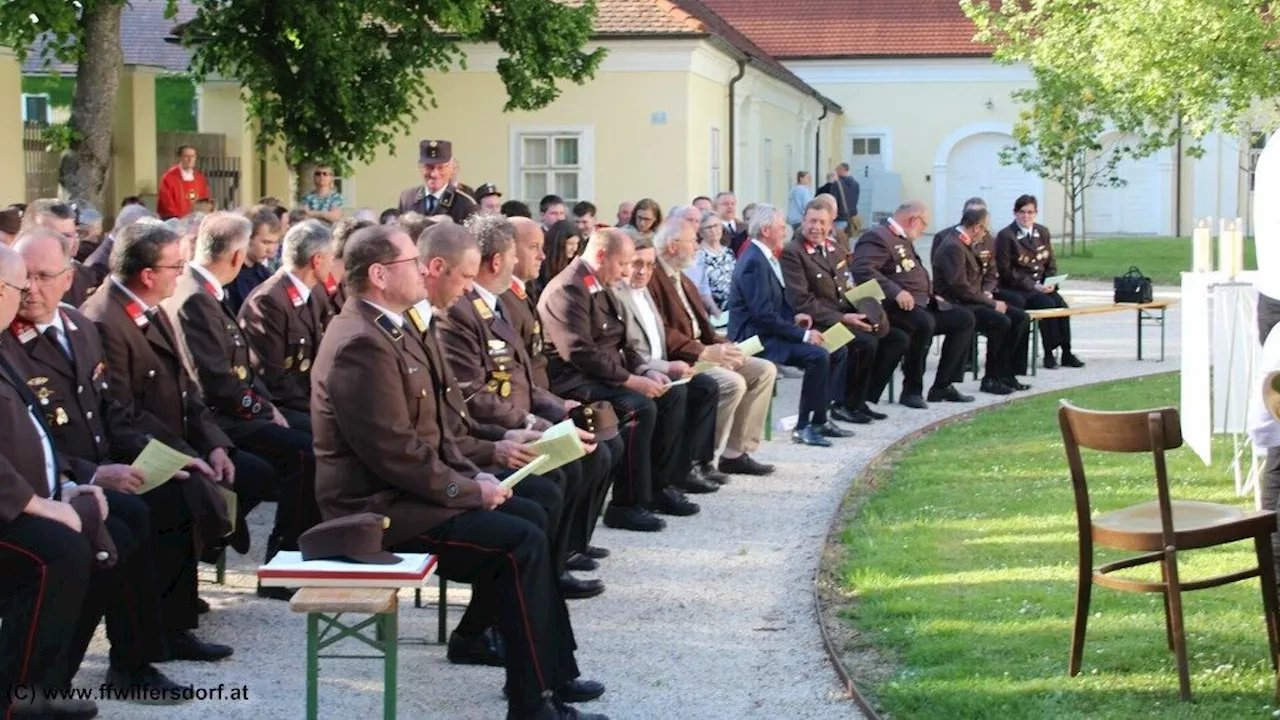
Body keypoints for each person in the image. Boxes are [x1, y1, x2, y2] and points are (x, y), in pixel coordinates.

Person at [310, 224, 607, 720]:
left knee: (531, 516)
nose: (424, 273)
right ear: (380, 275)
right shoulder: (360, 341)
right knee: (520, 543)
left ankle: (551, 677)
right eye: (411, 263)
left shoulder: (394, 327)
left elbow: (442, 434)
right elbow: (397, 453)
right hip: (377, 514)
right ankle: (532, 704)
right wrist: (468, 489)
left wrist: (490, 458)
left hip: (407, 497)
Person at [4, 228, 199, 700]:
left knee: (171, 494)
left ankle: (148, 648)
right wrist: (86, 477)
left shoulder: (78, 327)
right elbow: (26, 440)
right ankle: (52, 679)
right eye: (22, 278)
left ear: (68, 277)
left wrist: (157, 454)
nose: (31, 288)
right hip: (55, 479)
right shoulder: (8, 340)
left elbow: (111, 411)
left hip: (82, 470)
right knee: (109, 526)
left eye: (42, 276)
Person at [79, 221, 250, 663]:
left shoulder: (151, 306)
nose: (182, 272)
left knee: (222, 476)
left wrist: (210, 443)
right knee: (179, 499)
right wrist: (182, 459)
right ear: (148, 274)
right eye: (175, 265)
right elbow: (119, 413)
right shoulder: (104, 319)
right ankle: (165, 630)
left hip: (169, 441)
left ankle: (175, 622)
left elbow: (185, 389)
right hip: (130, 453)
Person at [412, 221, 602, 599]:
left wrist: (553, 410)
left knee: (587, 451)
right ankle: (537, 580)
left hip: (490, 433)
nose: (532, 259)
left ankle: (553, 565)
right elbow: (470, 395)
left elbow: (521, 375)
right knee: (543, 492)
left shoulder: (496, 303)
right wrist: (515, 431)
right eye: (522, 252)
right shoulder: (455, 312)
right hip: (479, 434)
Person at [160, 213, 318, 599]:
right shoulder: (195, 295)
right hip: (216, 419)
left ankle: (222, 536)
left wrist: (265, 404)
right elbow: (215, 380)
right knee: (305, 454)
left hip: (233, 412)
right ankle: (276, 564)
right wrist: (264, 410)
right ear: (235, 257)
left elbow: (242, 366)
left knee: (309, 443)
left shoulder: (204, 289)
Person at [539, 228, 700, 530]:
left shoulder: (596, 284)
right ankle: (625, 504)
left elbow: (619, 342)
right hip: (575, 382)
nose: (627, 271)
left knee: (671, 395)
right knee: (638, 408)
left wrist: (645, 370)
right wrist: (630, 380)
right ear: (601, 256)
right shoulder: (569, 288)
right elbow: (579, 351)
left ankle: (657, 488)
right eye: (623, 263)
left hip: (602, 376)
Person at [502, 218, 613, 561]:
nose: (541, 255)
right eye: (532, 247)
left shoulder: (519, 292)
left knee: (605, 440)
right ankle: (558, 557)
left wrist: (553, 405)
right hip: (523, 411)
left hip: (541, 399)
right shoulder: (503, 300)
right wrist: (542, 416)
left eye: (541, 246)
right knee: (581, 458)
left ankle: (572, 544)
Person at [646, 213, 777, 476]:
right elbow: (661, 330)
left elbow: (701, 325)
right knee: (732, 382)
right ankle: (701, 459)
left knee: (763, 370)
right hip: (681, 358)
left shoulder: (682, 276)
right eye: (692, 240)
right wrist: (705, 351)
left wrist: (725, 346)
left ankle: (736, 452)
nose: (697, 246)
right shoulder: (654, 276)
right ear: (672, 245)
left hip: (702, 350)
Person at [727, 204, 852, 447]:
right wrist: (803, 335)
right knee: (817, 355)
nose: (785, 231)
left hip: (768, 330)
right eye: (780, 226)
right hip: (754, 339)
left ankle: (820, 419)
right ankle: (803, 426)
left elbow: (771, 307)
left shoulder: (763, 255)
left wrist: (795, 319)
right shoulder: (754, 260)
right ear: (765, 230)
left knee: (838, 348)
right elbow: (762, 315)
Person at [611, 231, 722, 495]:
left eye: (649, 265)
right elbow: (627, 350)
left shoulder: (643, 291)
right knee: (675, 394)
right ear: (625, 263)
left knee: (706, 387)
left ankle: (688, 466)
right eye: (637, 264)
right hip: (638, 371)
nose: (643, 272)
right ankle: (662, 484)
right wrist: (663, 368)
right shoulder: (617, 294)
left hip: (661, 365)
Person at [781, 199, 906, 424]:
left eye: (822, 222)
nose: (816, 227)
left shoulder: (834, 248)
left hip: (844, 314)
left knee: (894, 338)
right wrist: (844, 318)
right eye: (812, 221)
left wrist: (869, 308)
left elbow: (847, 286)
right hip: (818, 321)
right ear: (803, 221)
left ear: (830, 225)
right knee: (864, 343)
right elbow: (802, 301)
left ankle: (860, 399)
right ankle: (842, 404)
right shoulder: (793, 252)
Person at [851, 201, 976, 409]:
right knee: (923, 323)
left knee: (964, 319)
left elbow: (911, 273)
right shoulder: (878, 236)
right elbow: (862, 269)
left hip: (919, 304)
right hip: (891, 307)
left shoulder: (901, 237)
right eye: (924, 224)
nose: (924, 229)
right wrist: (896, 291)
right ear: (914, 220)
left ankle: (942, 385)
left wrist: (931, 293)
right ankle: (911, 390)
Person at [239, 220, 335, 415]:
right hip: (281, 408)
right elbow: (273, 380)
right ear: (317, 260)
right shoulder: (268, 301)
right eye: (331, 257)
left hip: (306, 399)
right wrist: (323, 409)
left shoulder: (314, 294)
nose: (333, 263)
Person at [933, 205, 1031, 395]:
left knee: (1020, 318)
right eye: (985, 228)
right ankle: (991, 379)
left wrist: (987, 293)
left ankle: (1006, 374)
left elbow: (990, 273)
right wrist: (992, 303)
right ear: (976, 227)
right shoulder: (953, 245)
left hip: (974, 299)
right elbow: (960, 288)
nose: (986, 233)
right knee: (1000, 321)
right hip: (957, 304)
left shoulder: (967, 241)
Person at [994, 194, 1084, 369]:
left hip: (1043, 285)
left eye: (1030, 212)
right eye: (1022, 212)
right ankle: (1049, 354)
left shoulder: (1042, 232)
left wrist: (1051, 282)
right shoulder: (1006, 235)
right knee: (1047, 304)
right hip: (1020, 288)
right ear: (1015, 213)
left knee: (1062, 306)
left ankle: (1066, 352)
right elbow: (1005, 270)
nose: (1026, 216)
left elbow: (1050, 262)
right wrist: (1032, 285)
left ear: (1036, 213)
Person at [20, 198, 101, 305]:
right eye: (51, 235)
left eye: (67, 236)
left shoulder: (87, 277)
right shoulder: (8, 277)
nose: (59, 242)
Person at [397, 139, 477, 224]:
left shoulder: (465, 202)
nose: (434, 174)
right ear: (420, 167)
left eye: (441, 167)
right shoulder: (407, 198)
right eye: (428, 167)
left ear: (452, 168)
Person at [224, 204, 282, 315]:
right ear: (248, 238)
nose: (271, 250)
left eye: (275, 242)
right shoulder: (228, 274)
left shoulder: (265, 274)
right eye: (266, 242)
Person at [157, 145, 211, 220]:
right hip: (176, 222)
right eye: (186, 156)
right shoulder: (169, 177)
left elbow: (205, 201)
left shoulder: (200, 178)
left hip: (196, 222)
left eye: (192, 156)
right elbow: (166, 203)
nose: (190, 159)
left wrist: (201, 217)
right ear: (180, 157)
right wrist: (180, 220)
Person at [817, 163, 861, 233]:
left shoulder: (837, 184)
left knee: (836, 239)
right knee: (845, 240)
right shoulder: (856, 184)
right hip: (851, 217)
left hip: (839, 217)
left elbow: (833, 201)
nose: (836, 171)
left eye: (837, 169)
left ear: (842, 170)